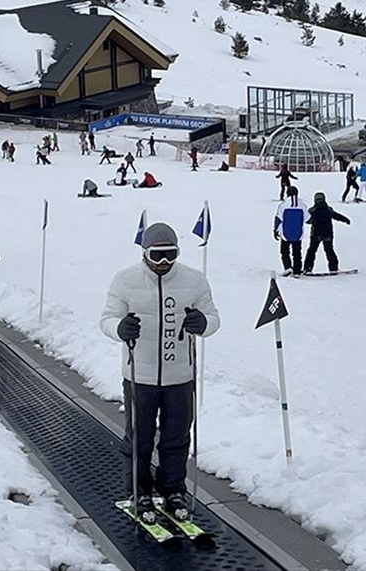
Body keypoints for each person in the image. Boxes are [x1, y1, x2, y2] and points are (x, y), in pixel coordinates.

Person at [99, 222, 220, 521]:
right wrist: (119, 328)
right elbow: (106, 319)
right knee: (139, 437)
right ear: (144, 252)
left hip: (180, 376)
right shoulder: (125, 280)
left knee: (176, 437)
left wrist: (202, 323)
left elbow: (214, 318)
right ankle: (139, 491)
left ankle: (173, 488)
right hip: (139, 375)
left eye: (171, 254)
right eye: (158, 255)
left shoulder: (194, 279)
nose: (164, 262)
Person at [303, 192, 351, 274]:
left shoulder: (312, 210)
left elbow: (308, 221)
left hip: (315, 234)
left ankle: (308, 268)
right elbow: (336, 216)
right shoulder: (328, 209)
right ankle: (333, 268)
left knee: (312, 251)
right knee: (329, 251)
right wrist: (346, 219)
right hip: (327, 234)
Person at [275, 186, 308, 276]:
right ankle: (297, 270)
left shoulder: (283, 205)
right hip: (298, 234)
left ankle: (288, 267)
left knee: (285, 251)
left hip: (285, 233)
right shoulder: (302, 205)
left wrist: (275, 230)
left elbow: (278, 219)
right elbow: (307, 219)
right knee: (297, 252)